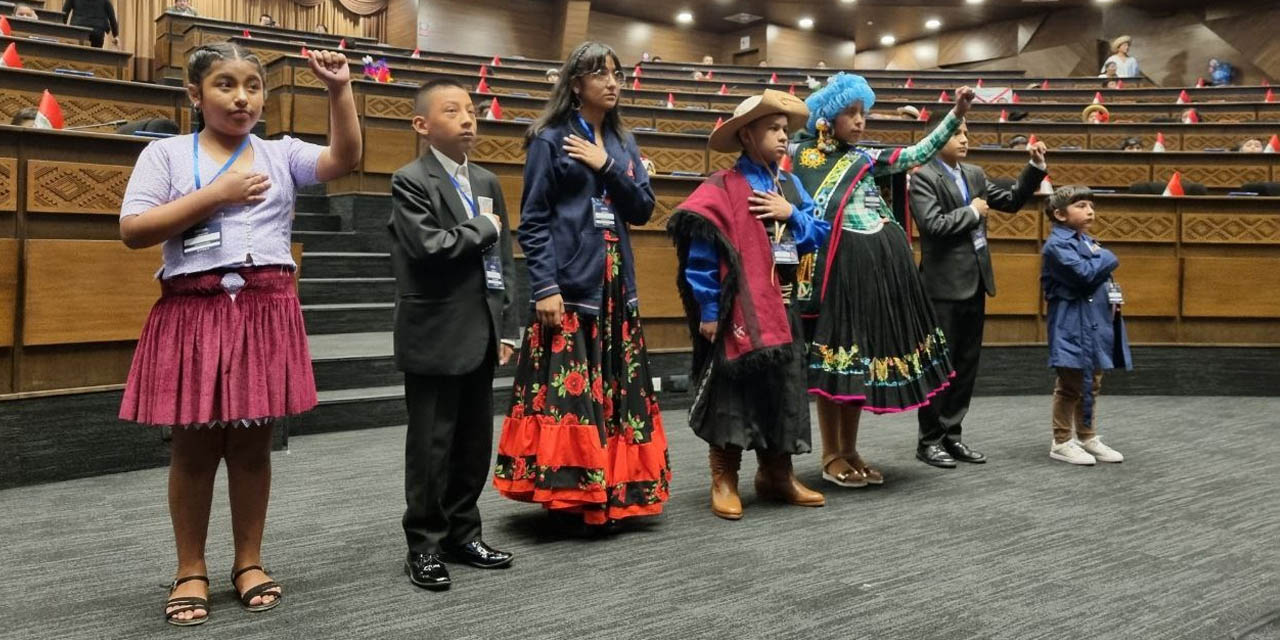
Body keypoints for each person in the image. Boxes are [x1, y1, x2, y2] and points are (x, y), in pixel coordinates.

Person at [117, 43, 360, 626]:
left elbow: (344, 160)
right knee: (194, 448)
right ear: (195, 95)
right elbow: (133, 229)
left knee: (253, 447)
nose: (242, 96)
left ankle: (248, 561)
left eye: (253, 85)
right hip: (194, 308)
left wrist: (339, 90)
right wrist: (216, 195)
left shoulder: (279, 153)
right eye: (226, 84)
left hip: (265, 307)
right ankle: (190, 568)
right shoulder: (166, 154)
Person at [492, 41, 671, 528]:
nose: (612, 82)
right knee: (571, 391)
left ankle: (612, 491)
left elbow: (642, 209)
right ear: (576, 85)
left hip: (616, 283)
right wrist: (544, 286)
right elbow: (532, 221)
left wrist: (606, 165)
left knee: (613, 387)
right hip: (571, 285)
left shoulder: (622, 143)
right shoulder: (550, 138)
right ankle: (572, 492)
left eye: (616, 74)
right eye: (600, 74)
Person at [789, 73, 974, 487]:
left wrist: (955, 114)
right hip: (837, 272)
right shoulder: (806, 157)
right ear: (826, 118)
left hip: (873, 272)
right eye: (850, 113)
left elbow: (916, 153)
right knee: (835, 361)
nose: (859, 121)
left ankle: (850, 449)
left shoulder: (864, 156)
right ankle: (830, 454)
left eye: (862, 113)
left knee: (858, 364)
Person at [667, 89, 829, 520]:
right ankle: (724, 476)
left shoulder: (790, 185)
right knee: (733, 393)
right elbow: (701, 256)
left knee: (784, 388)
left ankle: (777, 473)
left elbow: (819, 232)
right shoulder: (721, 187)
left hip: (785, 305)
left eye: (785, 130)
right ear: (745, 137)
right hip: (738, 310)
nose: (782, 138)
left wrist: (789, 213)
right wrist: (709, 310)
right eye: (772, 130)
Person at [389, 78, 519, 590]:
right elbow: (429, 247)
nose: (469, 118)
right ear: (422, 125)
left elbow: (504, 262)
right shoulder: (410, 179)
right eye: (453, 111)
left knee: (472, 443)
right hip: (435, 333)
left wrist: (507, 326)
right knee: (431, 446)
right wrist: (482, 228)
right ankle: (422, 545)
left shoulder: (486, 181)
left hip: (482, 332)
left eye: (471, 109)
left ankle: (463, 533)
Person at [909, 114, 1049, 467]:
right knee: (938, 365)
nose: (964, 139)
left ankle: (952, 435)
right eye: (956, 133)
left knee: (966, 365)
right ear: (937, 138)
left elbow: (1013, 200)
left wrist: (1034, 168)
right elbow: (932, 225)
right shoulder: (923, 177)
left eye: (966, 133)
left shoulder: (974, 174)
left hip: (975, 283)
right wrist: (972, 212)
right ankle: (929, 441)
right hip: (942, 287)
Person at [1040, 186, 1130, 465]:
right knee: (1071, 382)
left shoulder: (1089, 241)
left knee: (1092, 381)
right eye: (1081, 205)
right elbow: (1085, 274)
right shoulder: (1056, 246)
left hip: (1095, 321)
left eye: (1091, 205)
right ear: (1059, 214)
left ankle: (1087, 435)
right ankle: (1062, 440)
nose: (1090, 210)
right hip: (1072, 323)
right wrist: (1107, 256)